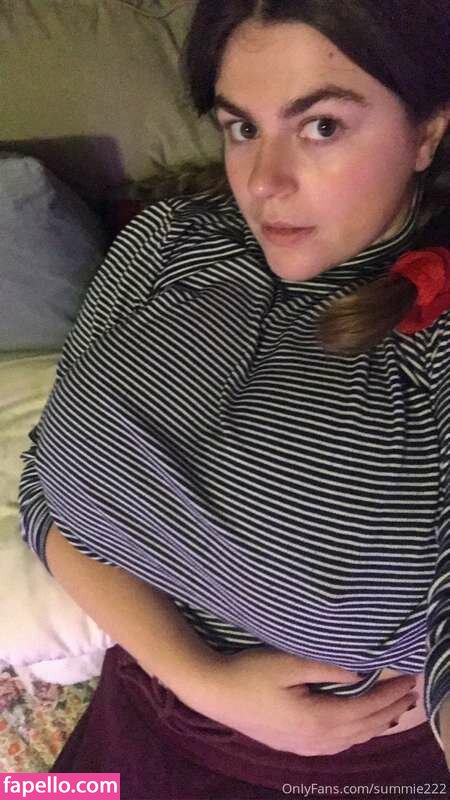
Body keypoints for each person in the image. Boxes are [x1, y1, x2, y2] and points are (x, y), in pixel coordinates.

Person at [18, 0, 450, 796]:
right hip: (133, 709)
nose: (262, 182)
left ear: (427, 132)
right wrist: (199, 677)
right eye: (242, 127)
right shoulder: (167, 241)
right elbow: (45, 491)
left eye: (321, 126)